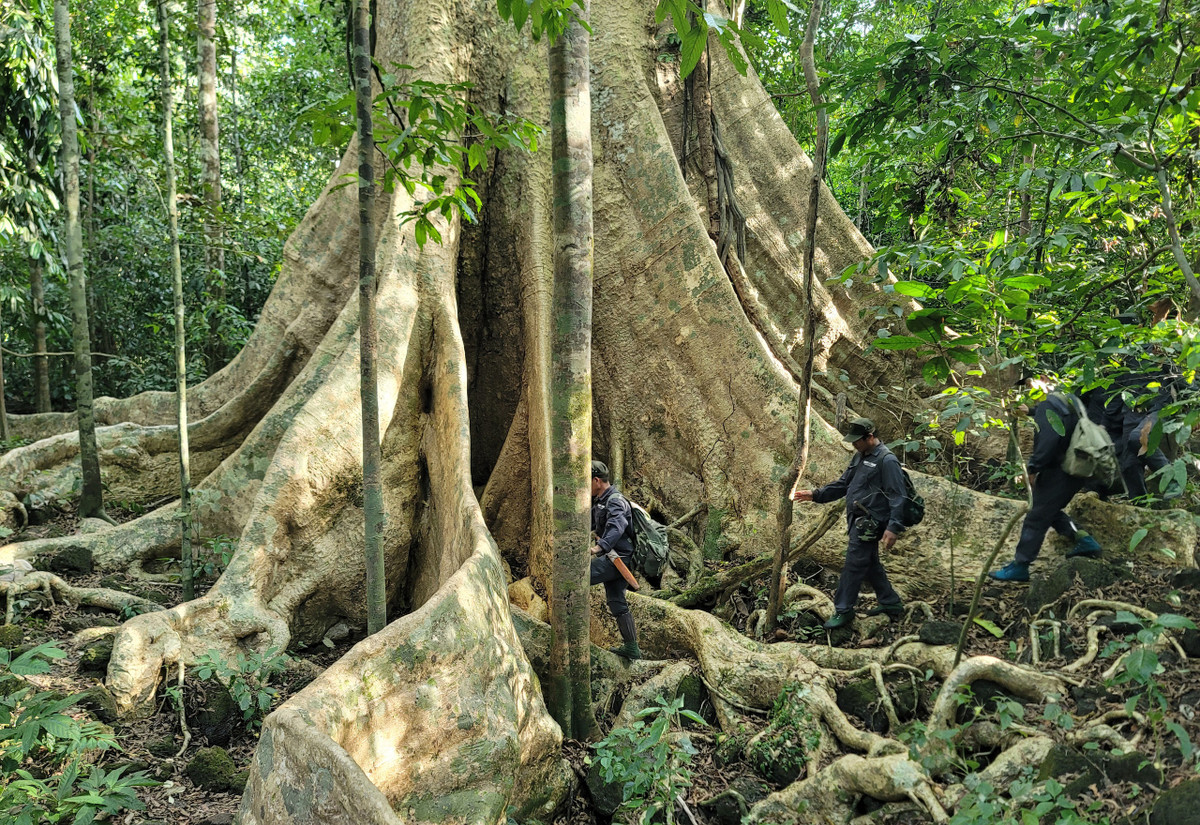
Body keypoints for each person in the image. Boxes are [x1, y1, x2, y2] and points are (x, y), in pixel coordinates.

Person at [791, 417, 906, 630]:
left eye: (857, 441)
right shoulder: (860, 456)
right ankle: (891, 603)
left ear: (870, 437)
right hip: (857, 520)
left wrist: (893, 527)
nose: (854, 444)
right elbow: (844, 484)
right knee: (869, 563)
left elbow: (898, 495)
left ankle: (843, 610)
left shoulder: (886, 460)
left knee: (853, 564)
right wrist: (816, 495)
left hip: (872, 523)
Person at [990, 378, 1102, 582]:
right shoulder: (1069, 400)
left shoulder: (1049, 405)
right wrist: (1031, 411)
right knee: (1049, 509)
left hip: (1059, 470)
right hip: (1079, 467)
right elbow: (1062, 421)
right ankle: (1084, 540)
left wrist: (1033, 468)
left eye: (1031, 384)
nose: (1028, 389)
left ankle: (1020, 565)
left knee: (1036, 516)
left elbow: (1049, 440)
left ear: (1044, 381)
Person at [590, 460, 642, 659]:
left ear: (597, 481)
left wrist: (598, 547)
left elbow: (617, 526)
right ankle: (632, 648)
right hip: (614, 557)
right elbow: (592, 523)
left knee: (577, 578)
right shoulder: (601, 500)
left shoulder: (615, 500)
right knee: (617, 602)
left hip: (618, 559)